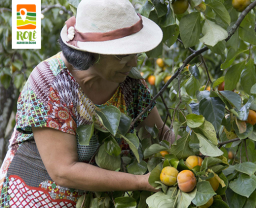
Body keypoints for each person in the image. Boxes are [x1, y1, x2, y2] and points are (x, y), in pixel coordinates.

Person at [0, 0, 173, 207]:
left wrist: (194, 150)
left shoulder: (128, 81)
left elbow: (160, 133)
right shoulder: (51, 83)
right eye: (123, 55)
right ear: (92, 53)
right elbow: (63, 171)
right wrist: (139, 182)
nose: (134, 62)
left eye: (135, 53)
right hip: (34, 198)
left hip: (91, 201)